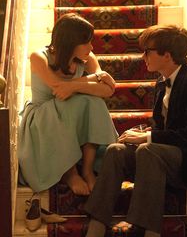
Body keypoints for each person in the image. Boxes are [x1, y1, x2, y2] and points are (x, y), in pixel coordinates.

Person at [55, 25, 187, 237]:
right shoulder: (162, 82)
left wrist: (147, 138)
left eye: (148, 52)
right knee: (116, 150)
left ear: (167, 55)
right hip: (167, 155)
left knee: (147, 150)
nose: (142, 57)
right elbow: (165, 126)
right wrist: (142, 133)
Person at [18, 13, 118, 198]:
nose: (91, 46)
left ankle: (87, 170)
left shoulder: (88, 58)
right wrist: (93, 80)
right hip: (42, 118)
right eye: (86, 42)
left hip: (70, 112)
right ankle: (70, 174)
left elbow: (107, 90)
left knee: (94, 102)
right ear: (70, 42)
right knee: (67, 103)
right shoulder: (39, 57)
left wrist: (74, 85)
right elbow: (58, 89)